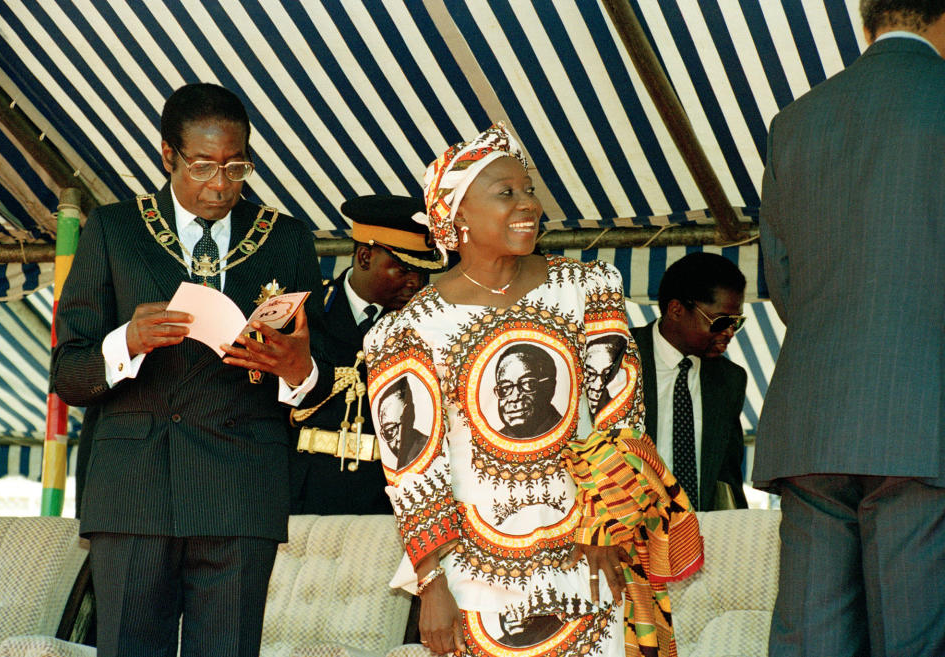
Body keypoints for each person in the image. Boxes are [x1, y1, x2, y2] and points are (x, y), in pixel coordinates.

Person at [363, 123, 703, 657]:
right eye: (506, 193)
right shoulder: (407, 330)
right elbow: (413, 468)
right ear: (459, 217)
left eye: (528, 190)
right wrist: (431, 585)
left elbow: (621, 417)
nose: (529, 204)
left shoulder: (587, 290)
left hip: (591, 553)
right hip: (473, 571)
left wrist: (609, 526)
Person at [50, 82, 324, 657]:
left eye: (236, 166)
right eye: (202, 166)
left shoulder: (286, 239)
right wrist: (126, 340)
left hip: (242, 488)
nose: (220, 185)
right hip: (133, 490)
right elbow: (69, 373)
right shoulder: (113, 230)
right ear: (167, 155)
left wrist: (299, 371)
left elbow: (313, 377)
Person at [755, 2, 945, 655]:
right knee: (915, 638)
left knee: (813, 637)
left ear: (867, 23)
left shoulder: (796, 121)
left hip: (812, 420)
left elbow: (780, 279)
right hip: (925, 417)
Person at [288, 194, 441, 514]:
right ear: (364, 257)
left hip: (383, 504)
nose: (415, 283)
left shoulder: (427, 331)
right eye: (402, 270)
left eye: (422, 273)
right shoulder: (305, 314)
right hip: (305, 496)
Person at [631, 252, 748, 512]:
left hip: (699, 537)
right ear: (676, 310)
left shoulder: (729, 379)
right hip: (625, 534)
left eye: (736, 323)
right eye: (721, 321)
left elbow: (727, 475)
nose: (729, 332)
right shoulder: (615, 357)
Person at [493, 343, 563, 438]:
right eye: (505, 388)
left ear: (549, 388)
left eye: (527, 384)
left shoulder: (570, 438)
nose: (513, 398)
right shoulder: (495, 440)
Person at [377, 376, 430, 471]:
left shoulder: (427, 448)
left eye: (405, 421)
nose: (399, 438)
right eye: (389, 431)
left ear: (412, 415)